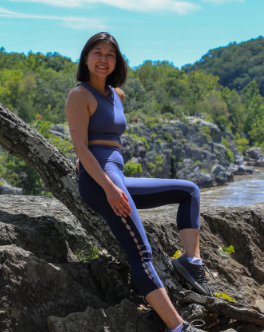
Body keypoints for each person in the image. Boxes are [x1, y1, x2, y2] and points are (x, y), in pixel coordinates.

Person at [65, 32, 212, 332]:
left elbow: (108, 140)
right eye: (97, 52)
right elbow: (81, 147)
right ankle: (179, 327)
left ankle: (191, 262)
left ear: (116, 61)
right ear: (85, 58)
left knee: (189, 191)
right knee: (140, 253)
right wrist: (108, 187)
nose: (103, 59)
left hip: (116, 175)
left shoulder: (117, 95)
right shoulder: (79, 95)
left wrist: (113, 178)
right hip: (101, 182)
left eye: (110, 54)